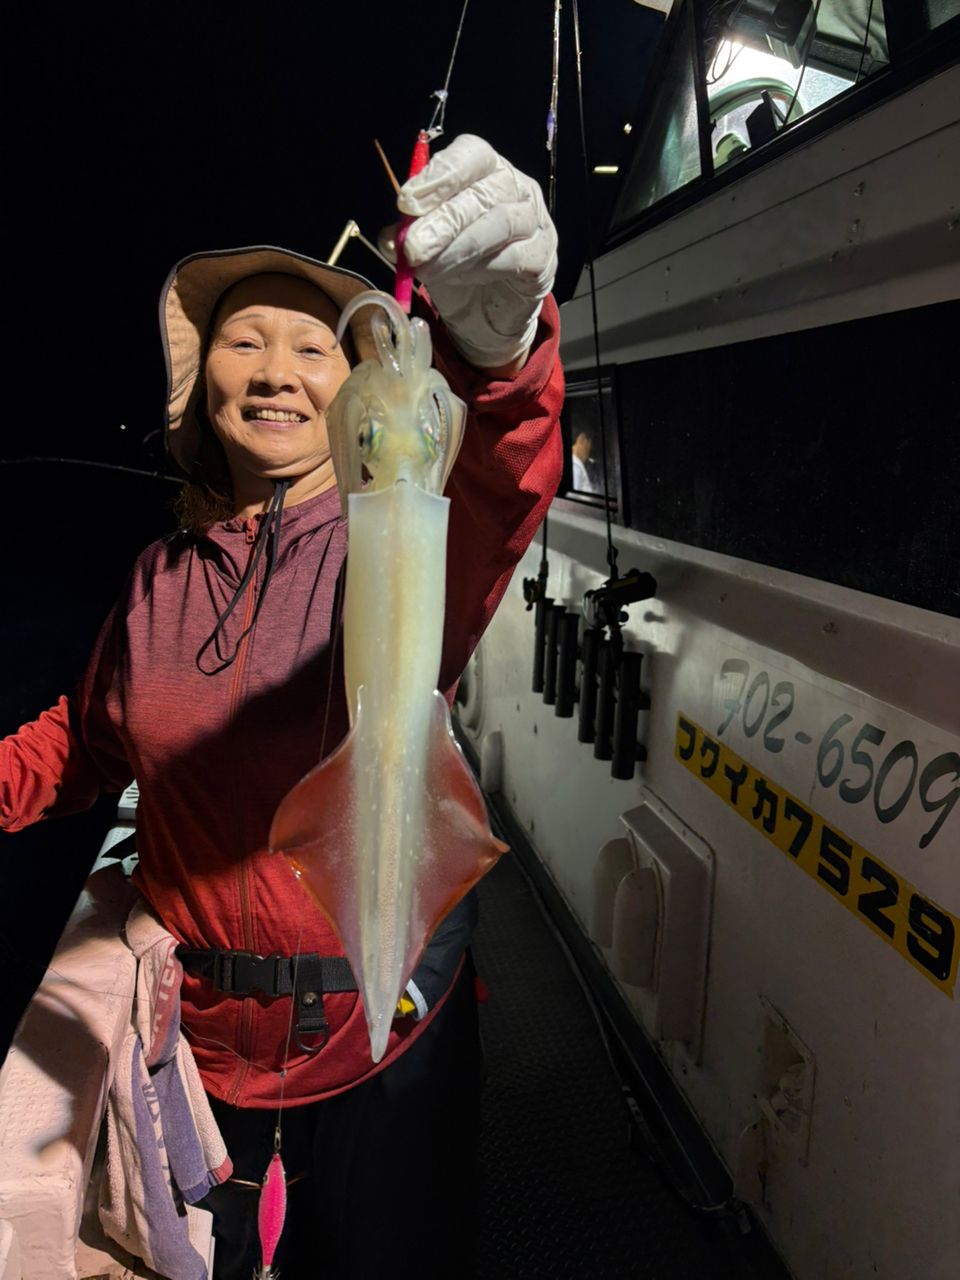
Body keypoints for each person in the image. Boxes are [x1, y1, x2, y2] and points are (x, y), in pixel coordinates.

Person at [0, 134, 563, 1279]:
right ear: (200, 384)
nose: (273, 368)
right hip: (199, 1044)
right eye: (242, 341)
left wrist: (501, 351)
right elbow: (88, 739)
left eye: (311, 345)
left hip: (387, 1036)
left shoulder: (401, 533)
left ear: (353, 394)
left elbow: (501, 475)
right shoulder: (159, 578)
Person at [571, 427, 600, 493]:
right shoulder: (575, 466)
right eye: (589, 443)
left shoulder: (575, 464)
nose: (589, 450)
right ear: (582, 439)